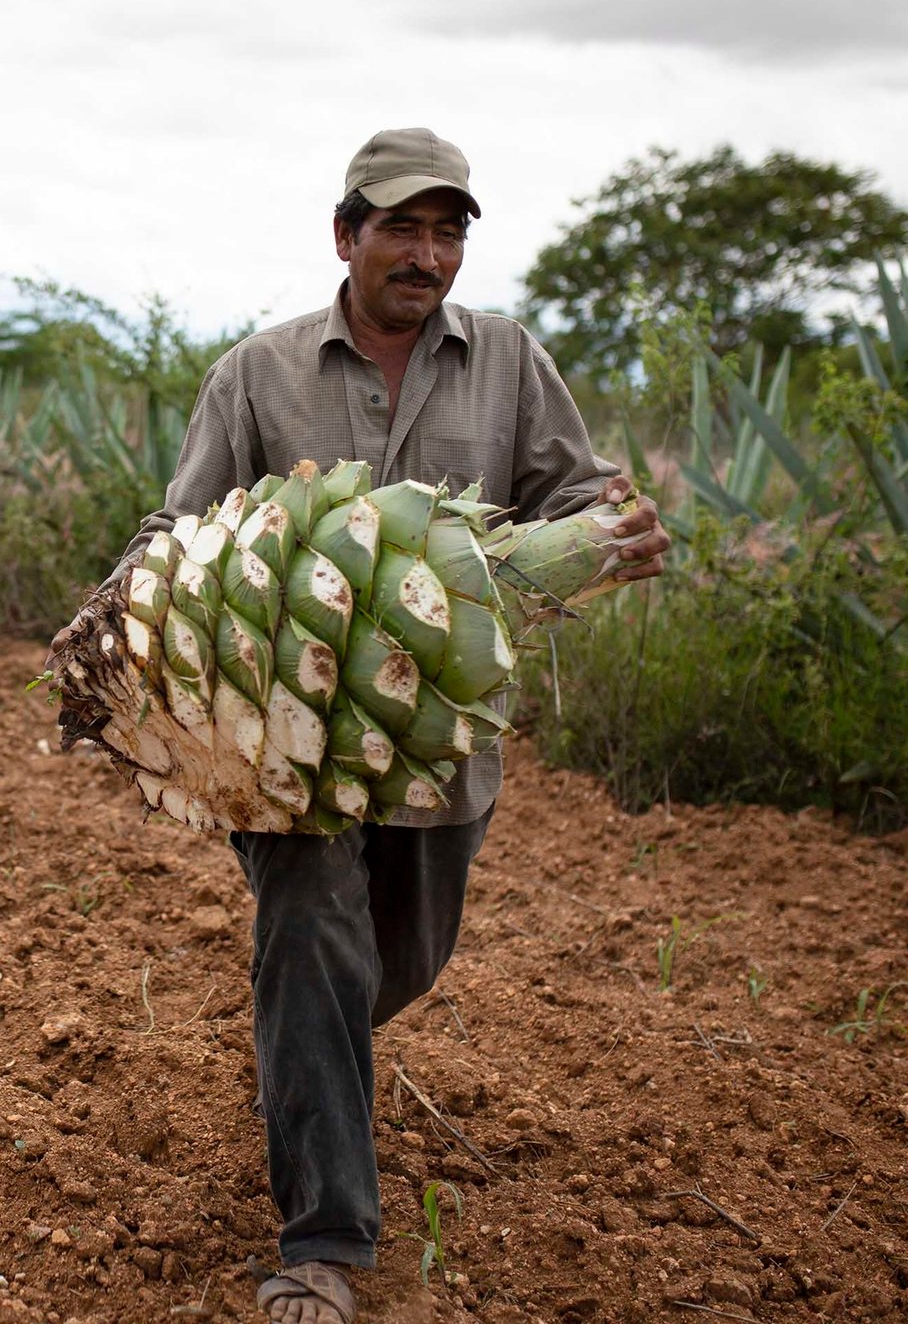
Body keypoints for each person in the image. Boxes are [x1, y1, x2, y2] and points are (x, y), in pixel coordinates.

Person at [50, 128, 669, 1323]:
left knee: (401, 961)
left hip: (439, 748)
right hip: (284, 751)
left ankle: (306, 1057)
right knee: (313, 923)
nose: (426, 254)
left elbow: (575, 490)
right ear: (347, 236)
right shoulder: (256, 373)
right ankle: (323, 1242)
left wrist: (610, 532)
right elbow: (178, 537)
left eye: (447, 233)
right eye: (402, 228)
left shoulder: (509, 363)